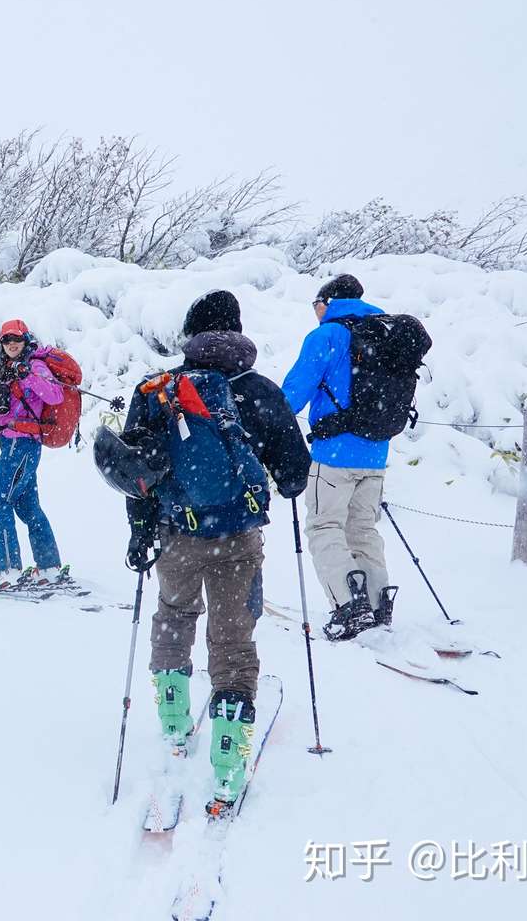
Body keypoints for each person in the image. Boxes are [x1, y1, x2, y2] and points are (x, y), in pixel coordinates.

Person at [110, 293, 308, 814]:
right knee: (233, 642)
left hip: (178, 532)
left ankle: (174, 722)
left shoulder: (157, 389)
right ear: (237, 331)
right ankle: (227, 764)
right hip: (239, 538)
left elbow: (137, 474)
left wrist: (140, 532)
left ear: (190, 335)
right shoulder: (259, 391)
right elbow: (294, 475)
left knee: (174, 616)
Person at [280, 274, 397, 642]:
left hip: (333, 453)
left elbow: (292, 395)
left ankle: (348, 608)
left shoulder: (327, 336)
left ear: (327, 302)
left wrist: (272, 427)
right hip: (376, 452)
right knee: (363, 529)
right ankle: (378, 604)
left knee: (324, 527)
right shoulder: (385, 331)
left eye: (316, 305)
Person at [0, 319, 67, 590]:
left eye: (17, 339)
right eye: (6, 340)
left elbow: (55, 395)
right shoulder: (7, 369)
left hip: (21, 447)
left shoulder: (34, 365)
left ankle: (9, 571)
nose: (12, 344)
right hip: (14, 444)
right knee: (28, 507)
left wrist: (27, 375)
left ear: (26, 340)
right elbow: (8, 414)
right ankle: (49, 567)